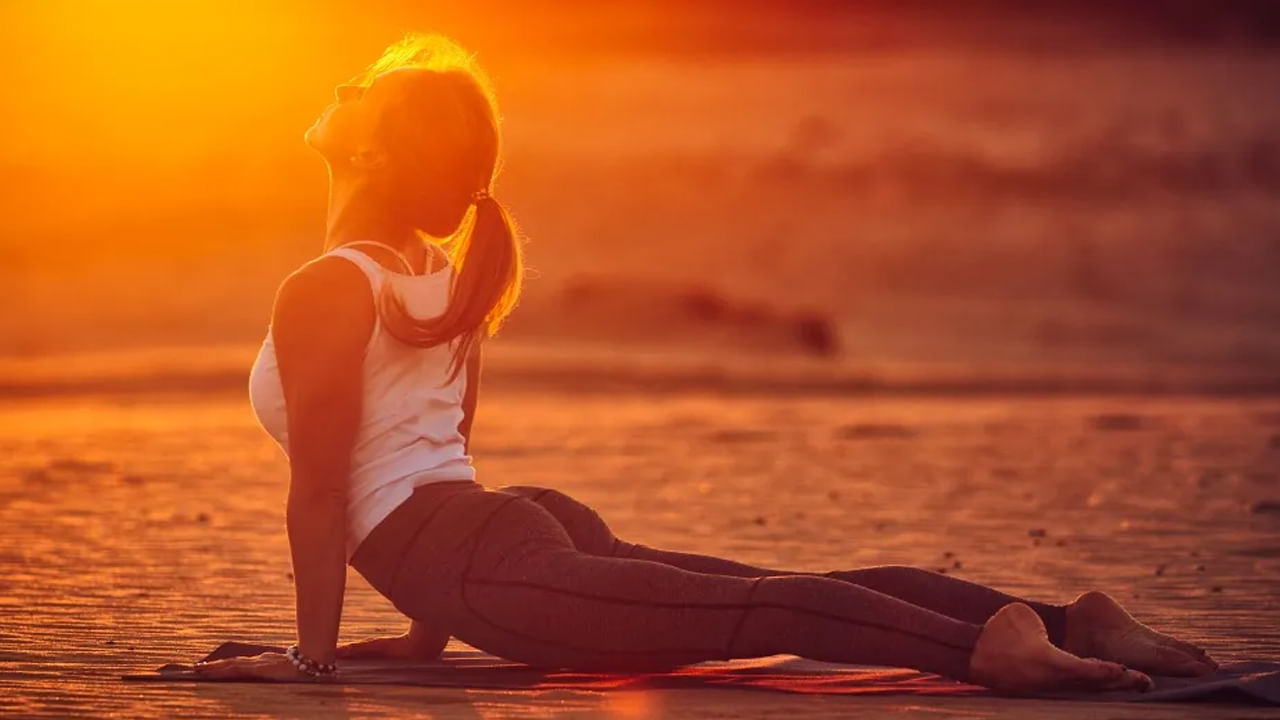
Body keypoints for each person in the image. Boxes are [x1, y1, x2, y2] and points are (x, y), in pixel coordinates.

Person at [194, 34, 1218, 693]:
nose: (341, 83)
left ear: (371, 155)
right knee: (772, 588)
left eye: (364, 89)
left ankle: (990, 650)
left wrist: (310, 663)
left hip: (482, 559)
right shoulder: (430, 273)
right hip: (494, 534)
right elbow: (434, 451)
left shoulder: (326, 287)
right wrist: (421, 642)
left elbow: (324, 494)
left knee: (755, 608)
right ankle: (1070, 624)